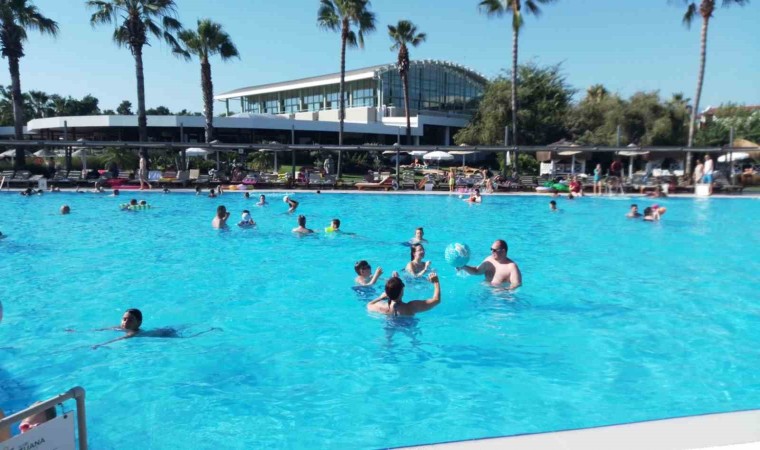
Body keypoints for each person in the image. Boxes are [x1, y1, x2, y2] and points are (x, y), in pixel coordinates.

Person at [367, 273, 441, 316]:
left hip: (390, 325)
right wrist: (436, 282)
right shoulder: (411, 307)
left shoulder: (383, 307)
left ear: (387, 293)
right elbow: (436, 300)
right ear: (402, 291)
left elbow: (369, 305)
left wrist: (380, 297)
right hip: (408, 327)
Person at [458, 239, 522, 289]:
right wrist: (463, 266)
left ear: (503, 251)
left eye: (494, 250)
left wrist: (504, 292)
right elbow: (476, 271)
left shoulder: (511, 267)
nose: (491, 252)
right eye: (491, 249)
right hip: (485, 290)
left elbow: (516, 285)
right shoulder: (489, 260)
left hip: (500, 297)